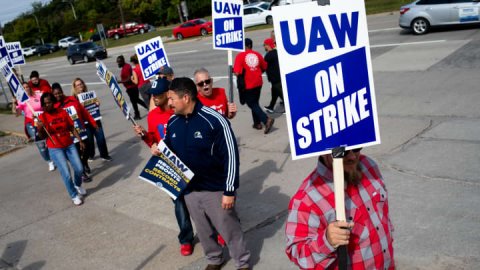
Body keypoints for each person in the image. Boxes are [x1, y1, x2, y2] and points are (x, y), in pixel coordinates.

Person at [164, 77, 250, 270]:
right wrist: (157, 148)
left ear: (185, 98)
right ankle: (214, 259)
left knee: (229, 228)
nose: (168, 103)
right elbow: (168, 148)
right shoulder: (172, 122)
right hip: (189, 190)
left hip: (216, 189)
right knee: (203, 230)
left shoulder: (215, 120)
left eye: (172, 98)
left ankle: (242, 262)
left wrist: (229, 190)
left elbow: (231, 156)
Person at [285, 149, 395, 269]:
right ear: (324, 152)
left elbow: (384, 220)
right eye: (344, 152)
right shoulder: (307, 199)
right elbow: (298, 253)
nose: (352, 157)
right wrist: (326, 241)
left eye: (356, 148)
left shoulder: (369, 166)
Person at [132, 77, 195, 256]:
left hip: (189, 163)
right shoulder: (152, 115)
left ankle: (215, 230)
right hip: (170, 168)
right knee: (179, 204)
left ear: (168, 94)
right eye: (152, 95)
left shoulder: (180, 111)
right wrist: (144, 136)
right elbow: (153, 140)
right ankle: (186, 239)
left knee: (200, 201)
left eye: (157, 95)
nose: (153, 98)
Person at [37, 92, 87, 206]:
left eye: (49, 102)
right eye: (44, 104)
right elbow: (42, 137)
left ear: (53, 102)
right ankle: (74, 195)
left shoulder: (62, 112)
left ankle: (77, 185)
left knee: (79, 169)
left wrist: (79, 140)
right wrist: (40, 129)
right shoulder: (41, 118)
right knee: (66, 173)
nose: (47, 105)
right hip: (55, 148)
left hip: (69, 144)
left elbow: (71, 127)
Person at [52, 83, 97, 182]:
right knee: (75, 154)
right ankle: (82, 173)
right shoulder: (53, 107)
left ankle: (84, 163)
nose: (58, 95)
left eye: (59, 93)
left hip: (81, 131)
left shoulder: (72, 100)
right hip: (68, 136)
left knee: (87, 150)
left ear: (62, 92)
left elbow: (84, 112)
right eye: (55, 94)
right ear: (52, 94)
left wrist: (93, 123)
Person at [233, 38, 274, 134]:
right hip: (258, 82)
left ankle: (266, 120)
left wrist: (235, 72)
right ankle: (257, 123)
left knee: (251, 103)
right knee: (255, 102)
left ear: (245, 46)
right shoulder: (258, 54)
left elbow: (237, 72)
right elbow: (264, 67)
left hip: (248, 84)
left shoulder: (240, 56)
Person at [12, 82, 55, 171]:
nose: (26, 88)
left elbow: (46, 102)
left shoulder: (37, 95)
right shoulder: (21, 100)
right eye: (23, 88)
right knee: (41, 144)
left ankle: (56, 156)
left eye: (27, 86)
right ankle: (49, 161)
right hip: (31, 123)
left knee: (49, 139)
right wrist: (14, 103)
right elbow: (17, 113)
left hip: (43, 120)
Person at [71, 78, 112, 162]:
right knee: (89, 140)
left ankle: (104, 155)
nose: (80, 86)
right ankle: (91, 155)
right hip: (85, 123)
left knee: (101, 138)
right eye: (78, 85)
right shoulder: (73, 99)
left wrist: (97, 104)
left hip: (95, 119)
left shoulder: (89, 94)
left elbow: (95, 105)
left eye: (81, 83)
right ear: (74, 87)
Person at [116, 55, 148, 120]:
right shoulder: (125, 66)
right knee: (135, 100)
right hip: (130, 88)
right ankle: (145, 109)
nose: (118, 63)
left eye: (119, 62)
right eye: (117, 62)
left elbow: (129, 79)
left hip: (132, 88)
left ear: (122, 61)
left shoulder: (126, 68)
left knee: (134, 101)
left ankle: (138, 114)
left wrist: (120, 81)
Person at [263, 38, 284, 114]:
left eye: (264, 45)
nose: (264, 47)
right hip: (278, 77)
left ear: (268, 45)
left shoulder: (269, 55)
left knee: (281, 94)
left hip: (275, 78)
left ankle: (289, 108)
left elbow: (263, 66)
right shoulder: (276, 52)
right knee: (274, 93)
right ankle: (271, 107)